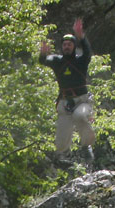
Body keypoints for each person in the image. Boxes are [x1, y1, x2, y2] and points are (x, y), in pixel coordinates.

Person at [39, 19, 95, 167]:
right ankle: (63, 157)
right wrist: (43, 54)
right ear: (61, 47)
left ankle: (86, 147)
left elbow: (88, 51)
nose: (66, 47)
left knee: (80, 116)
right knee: (62, 133)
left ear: (74, 46)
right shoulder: (57, 61)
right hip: (64, 102)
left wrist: (81, 37)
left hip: (82, 101)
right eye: (64, 45)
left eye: (69, 44)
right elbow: (44, 61)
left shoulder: (81, 61)